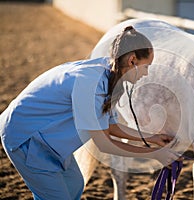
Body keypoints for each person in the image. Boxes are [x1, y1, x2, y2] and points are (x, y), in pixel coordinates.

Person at [0, 26, 178, 200]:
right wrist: (153, 154)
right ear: (132, 60)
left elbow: (110, 126)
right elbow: (104, 143)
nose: (146, 74)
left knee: (75, 185)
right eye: (146, 67)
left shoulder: (108, 74)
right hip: (25, 137)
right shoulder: (91, 84)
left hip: (46, 138)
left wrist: (151, 139)